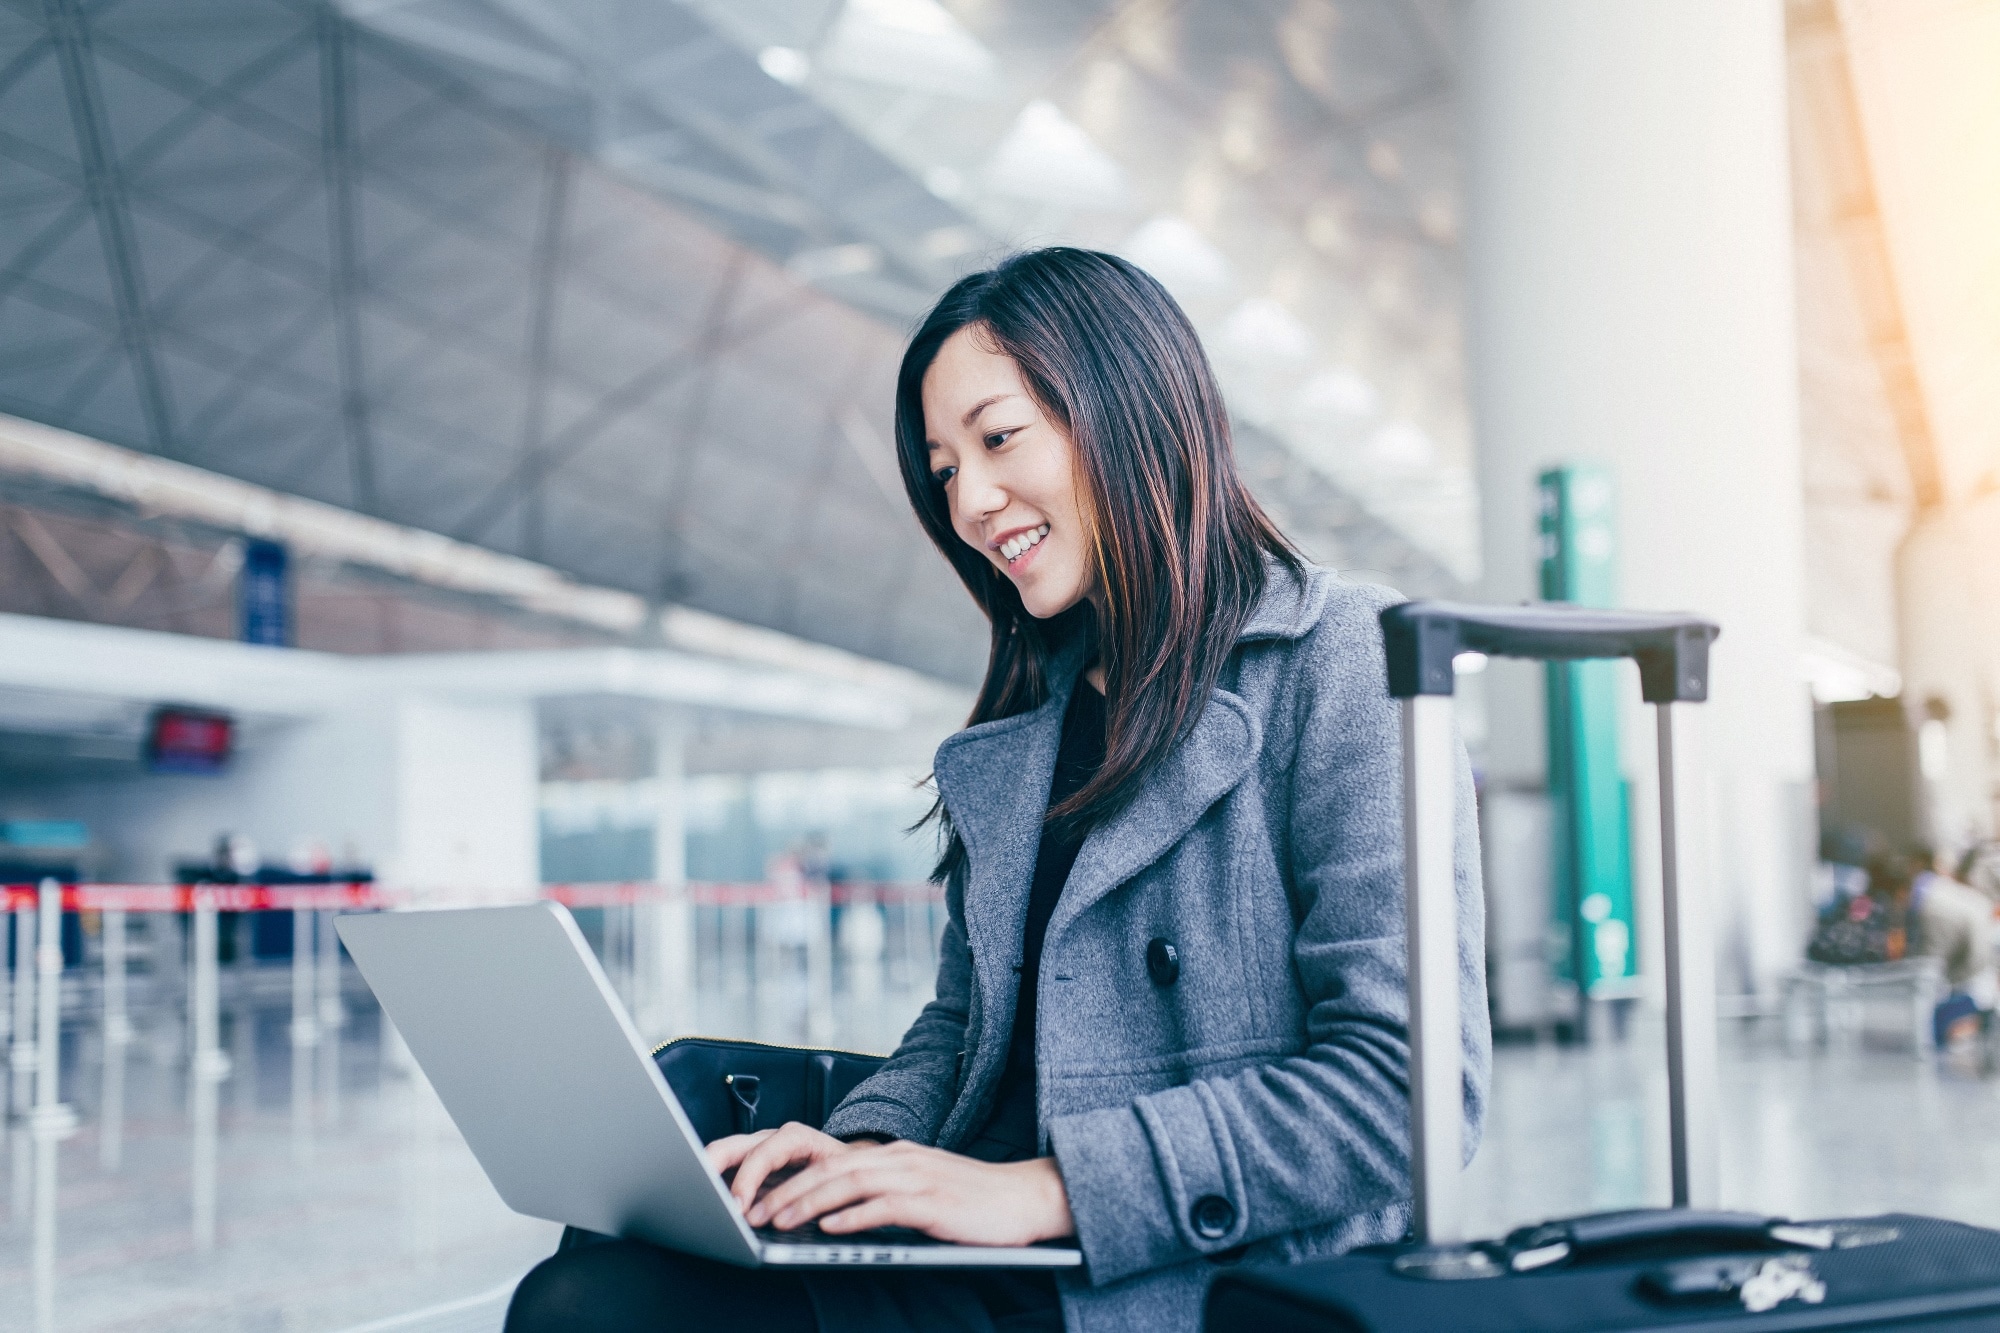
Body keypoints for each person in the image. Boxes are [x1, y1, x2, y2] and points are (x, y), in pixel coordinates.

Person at [503, 248, 1490, 1333]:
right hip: (986, 1246)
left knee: (600, 1308)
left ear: (1126, 407)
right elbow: (968, 1024)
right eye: (940, 468)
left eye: (996, 437)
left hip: (1178, 1272)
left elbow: (1408, 1087)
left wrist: (1048, 1189)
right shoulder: (1029, 723)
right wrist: (862, 1151)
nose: (969, 501)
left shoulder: (1342, 657)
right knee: (611, 1268)